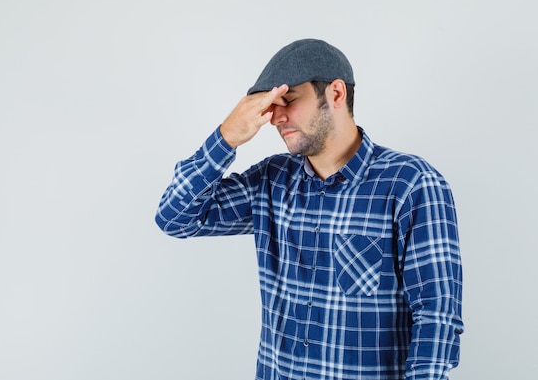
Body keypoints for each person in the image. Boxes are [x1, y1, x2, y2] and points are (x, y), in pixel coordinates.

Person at [155, 39, 464, 380]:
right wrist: (226, 137)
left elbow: (436, 316)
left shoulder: (411, 184)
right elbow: (176, 218)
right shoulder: (270, 182)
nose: (275, 118)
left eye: (287, 100)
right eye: (270, 106)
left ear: (335, 94)